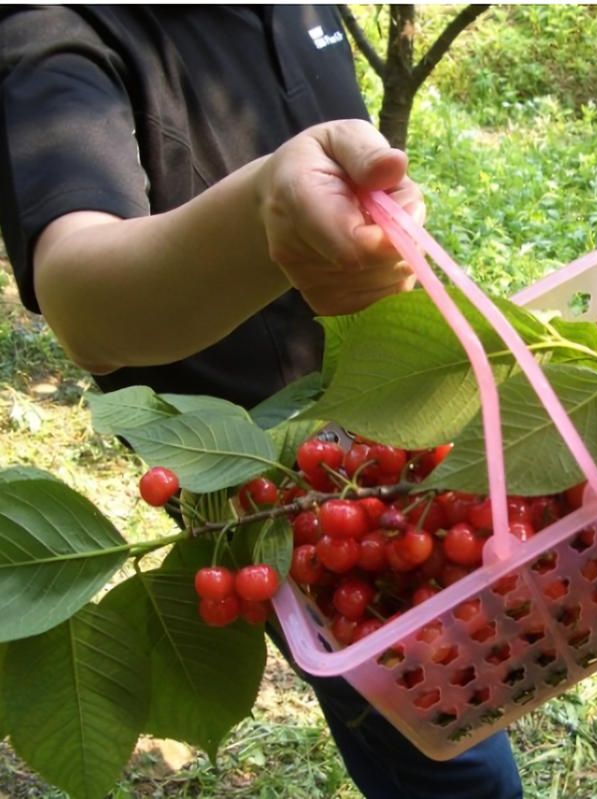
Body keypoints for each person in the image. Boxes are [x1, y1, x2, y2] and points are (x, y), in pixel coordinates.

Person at [0, 7, 523, 799]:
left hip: (386, 431)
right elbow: (81, 300)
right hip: (265, 492)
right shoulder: (52, 29)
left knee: (467, 647)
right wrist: (265, 215)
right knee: (448, 751)